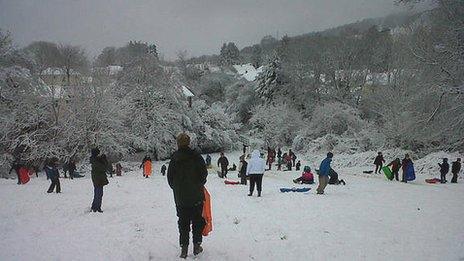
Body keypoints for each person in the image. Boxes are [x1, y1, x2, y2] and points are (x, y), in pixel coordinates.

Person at [167, 133, 208, 258]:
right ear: (189, 142)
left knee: (183, 223)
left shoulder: (174, 159)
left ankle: (184, 249)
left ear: (178, 143)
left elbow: (170, 178)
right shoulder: (196, 157)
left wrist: (178, 189)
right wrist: (199, 185)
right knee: (197, 221)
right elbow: (204, 174)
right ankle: (196, 246)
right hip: (196, 197)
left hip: (181, 198)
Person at [90, 148, 109, 213]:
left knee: (97, 193)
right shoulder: (96, 161)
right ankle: (97, 207)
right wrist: (104, 160)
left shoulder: (95, 160)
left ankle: (94, 206)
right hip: (98, 179)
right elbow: (104, 168)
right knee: (99, 193)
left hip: (97, 178)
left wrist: (102, 159)